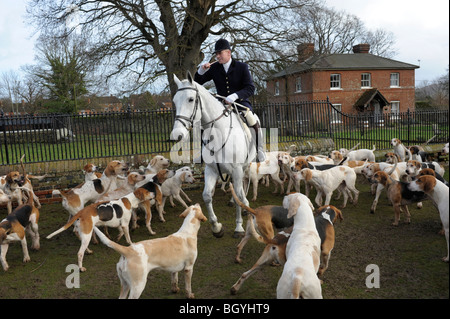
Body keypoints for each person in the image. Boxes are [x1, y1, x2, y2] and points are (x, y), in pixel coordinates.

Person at [195, 38, 265, 162]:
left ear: (228, 52)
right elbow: (197, 83)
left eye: (219, 53)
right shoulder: (215, 68)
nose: (217, 56)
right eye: (216, 54)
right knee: (204, 123)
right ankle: (204, 152)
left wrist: (235, 96)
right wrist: (201, 71)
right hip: (221, 104)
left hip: (240, 103)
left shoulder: (242, 67)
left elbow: (250, 88)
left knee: (252, 119)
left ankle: (259, 150)